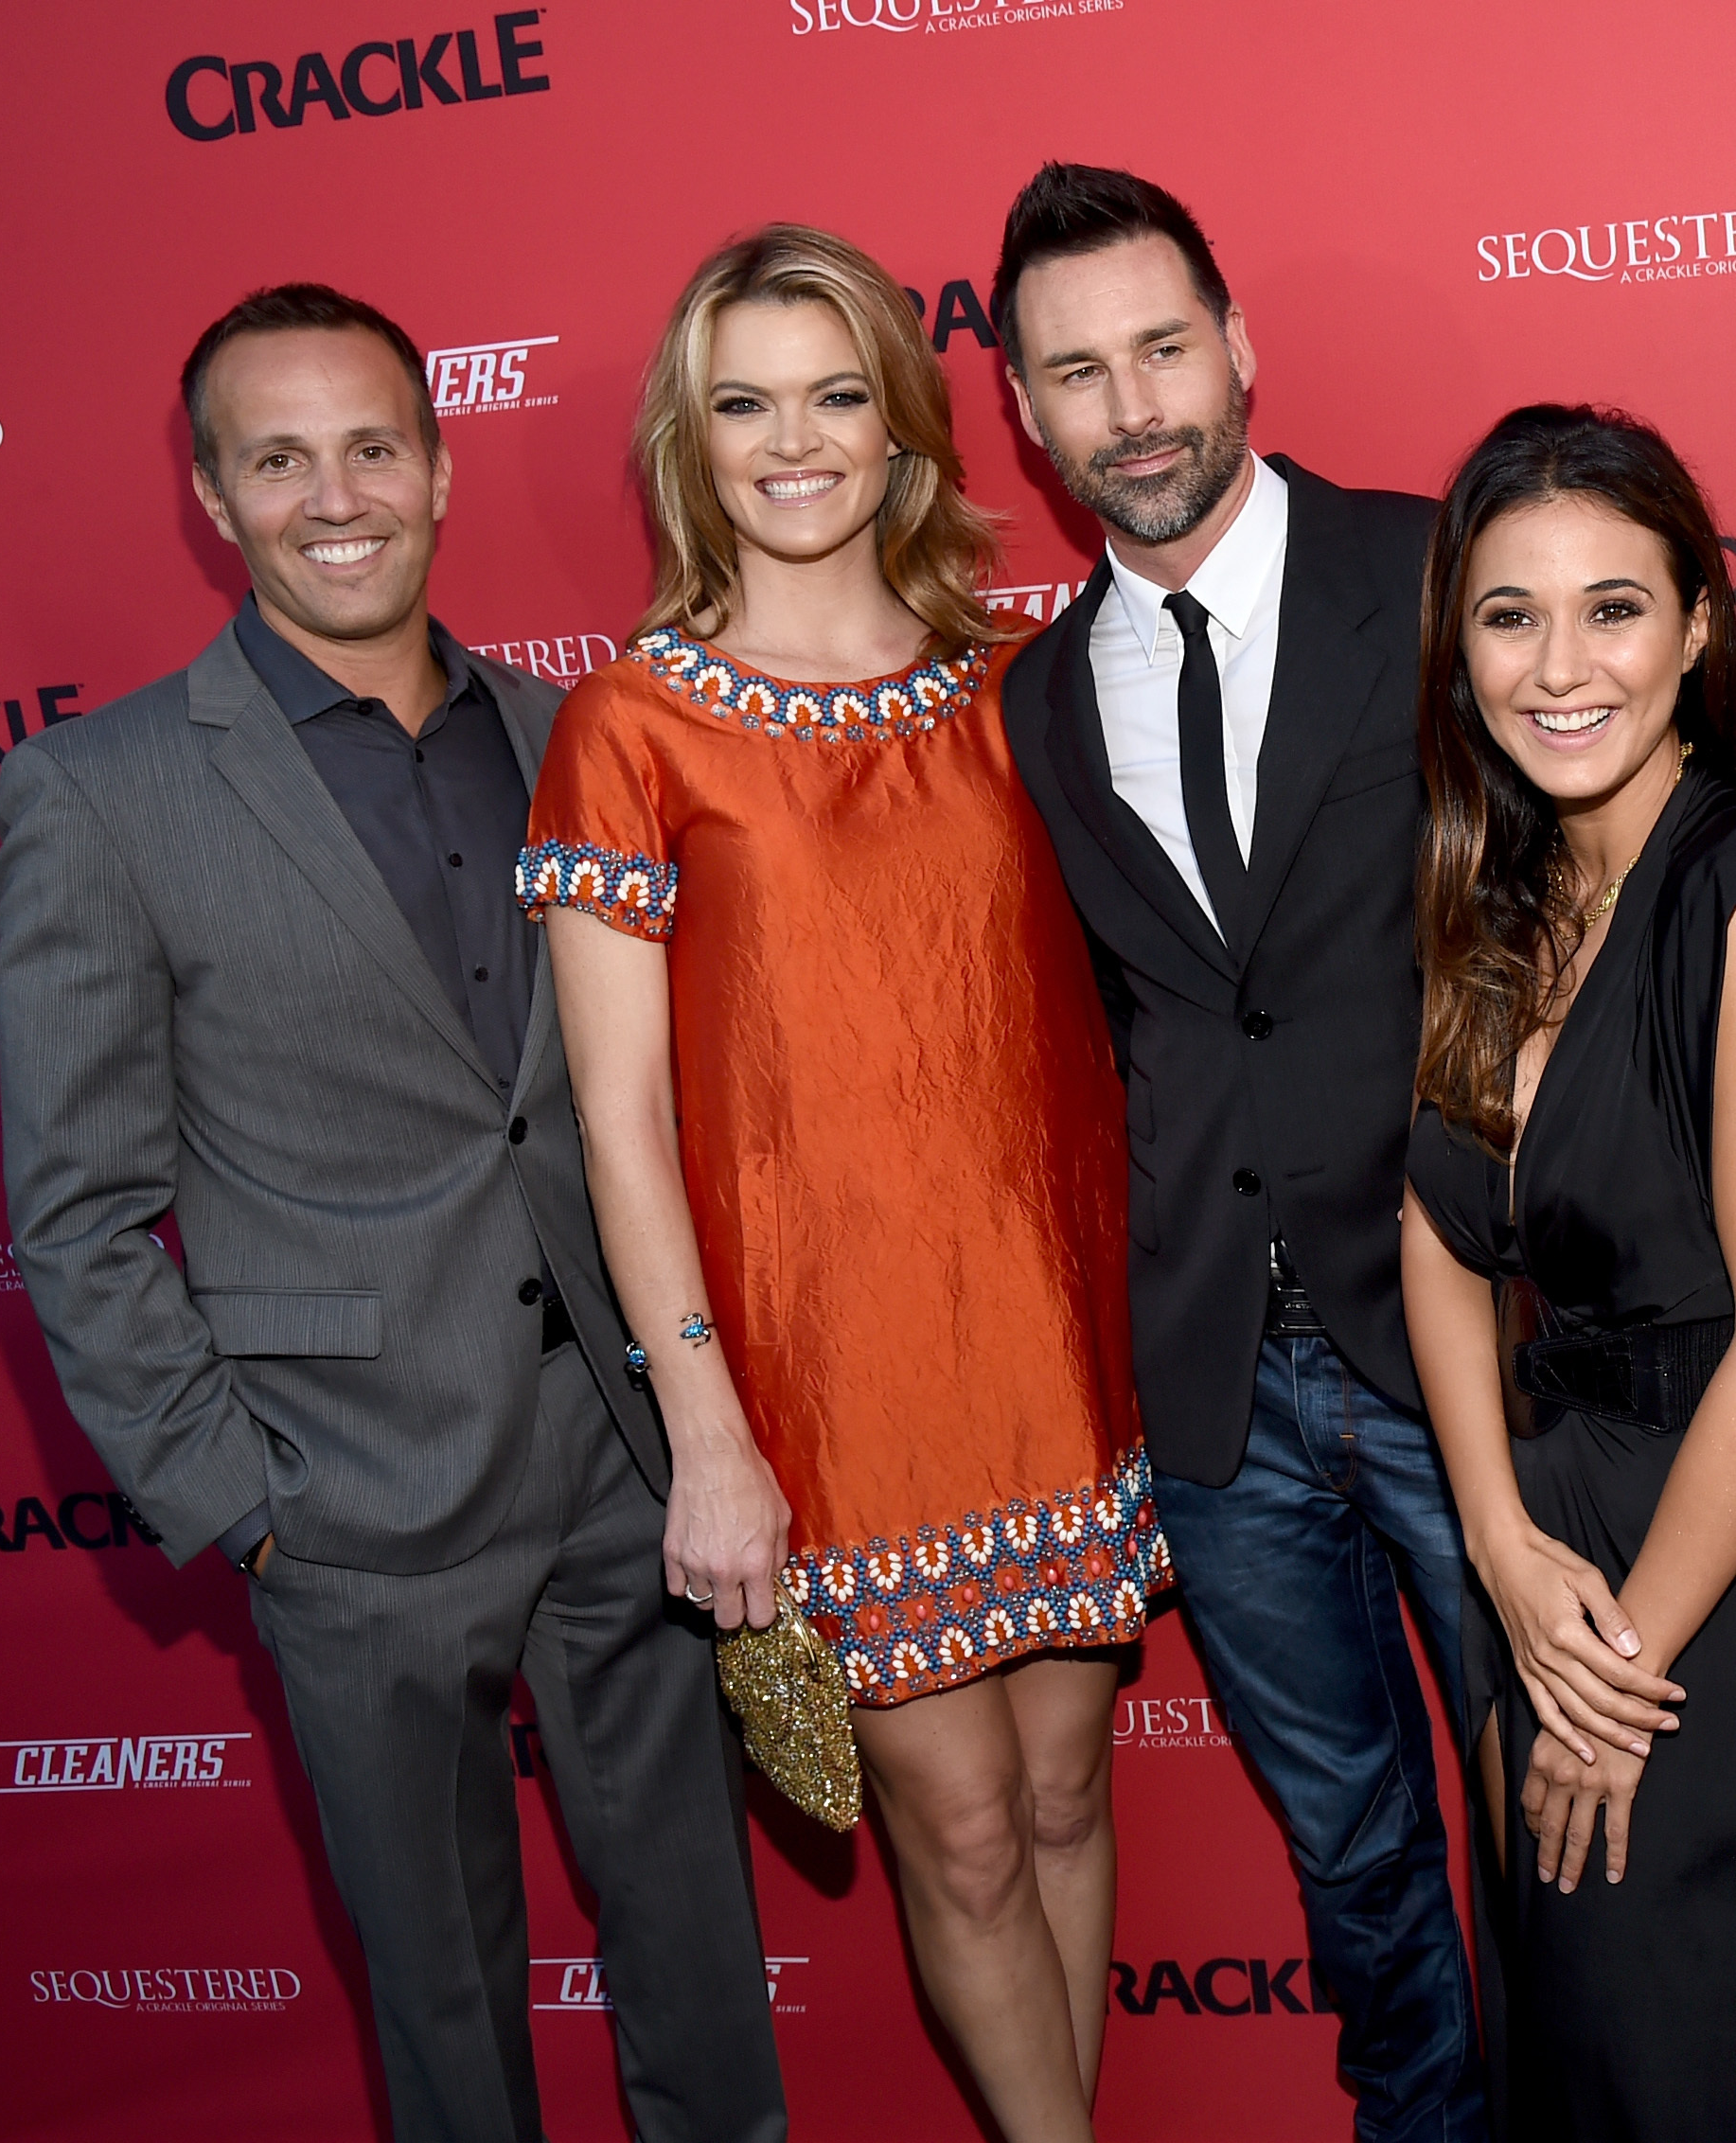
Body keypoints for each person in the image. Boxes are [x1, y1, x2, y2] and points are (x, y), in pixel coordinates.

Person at [0, 283, 787, 2143]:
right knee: (443, 2011)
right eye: (278, 459)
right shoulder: (96, 796)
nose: (333, 493)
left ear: (436, 467)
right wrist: (242, 1506)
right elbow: (80, 1214)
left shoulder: (573, 728)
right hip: (346, 1502)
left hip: (622, 1461)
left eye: (370, 445)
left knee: (699, 1954)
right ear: (213, 495)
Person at [524, 225, 1161, 2143]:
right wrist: (707, 1436)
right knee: (956, 1836)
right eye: (742, 405)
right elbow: (618, 1122)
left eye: (833, 395)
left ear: (900, 428)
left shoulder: (1020, 682)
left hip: (1049, 1337)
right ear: (687, 447)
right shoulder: (629, 726)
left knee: (1061, 1798)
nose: (790, 442)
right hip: (821, 1379)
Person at [988, 166, 1482, 2142]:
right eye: (1078, 372)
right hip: (1215, 1386)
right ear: (1024, 417)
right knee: (1355, 1864)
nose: (1135, 406)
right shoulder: (1030, 698)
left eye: (1163, 347)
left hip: (1460, 1338)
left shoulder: (1439, 570)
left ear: (1237, 345)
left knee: (1560, 1812)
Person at [1399, 403, 1736, 2142]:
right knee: (1572, 2065)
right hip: (1546, 1551)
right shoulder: (1496, 891)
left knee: (1695, 2074)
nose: (1558, 664)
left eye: (1613, 607)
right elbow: (1438, 1241)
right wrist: (1499, 1542)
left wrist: (1619, 1679)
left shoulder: (1734, 902)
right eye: (1509, 615)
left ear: (1695, 629)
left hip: (1708, 1585)